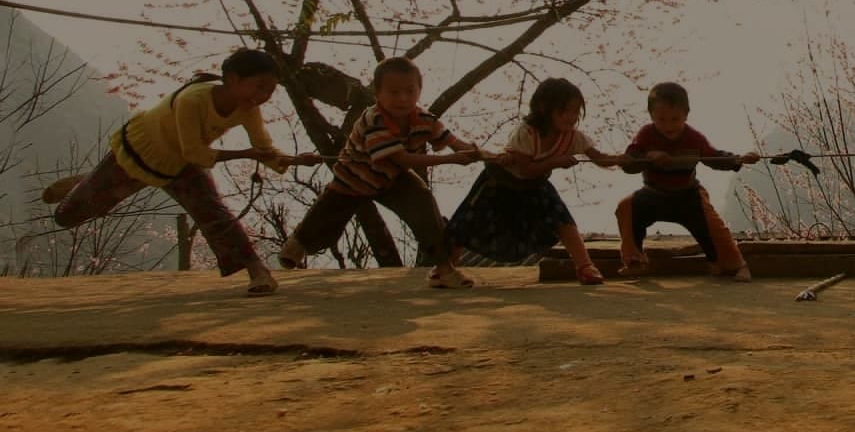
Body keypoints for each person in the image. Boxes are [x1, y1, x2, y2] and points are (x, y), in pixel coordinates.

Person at [43, 48, 317, 295]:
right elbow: (195, 152)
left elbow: (263, 148)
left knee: (213, 212)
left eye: (270, 90)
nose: (264, 96)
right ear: (233, 79)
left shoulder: (248, 109)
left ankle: (258, 272)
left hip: (181, 166)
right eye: (259, 87)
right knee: (67, 215)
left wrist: (295, 161)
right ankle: (84, 182)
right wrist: (245, 154)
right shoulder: (192, 99)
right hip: (138, 152)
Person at [278, 56, 482, 288]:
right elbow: (401, 158)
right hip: (354, 178)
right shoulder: (374, 119)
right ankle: (298, 244)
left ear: (419, 91)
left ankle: (443, 269)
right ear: (378, 93)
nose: (403, 98)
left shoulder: (424, 118)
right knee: (327, 217)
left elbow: (452, 141)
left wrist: (476, 152)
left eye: (409, 91)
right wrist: (452, 159)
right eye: (394, 92)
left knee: (423, 205)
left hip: (392, 178)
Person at [445, 77, 620, 285]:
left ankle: (585, 266)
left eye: (576, 111)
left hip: (535, 184)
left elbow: (600, 158)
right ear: (544, 108)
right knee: (465, 222)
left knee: (562, 217)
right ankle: (445, 270)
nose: (572, 117)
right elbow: (525, 169)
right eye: (565, 110)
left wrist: (628, 159)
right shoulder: (526, 132)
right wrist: (555, 162)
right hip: (499, 182)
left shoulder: (574, 137)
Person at [614, 82, 759, 281]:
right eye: (661, 119)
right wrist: (647, 156)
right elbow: (631, 161)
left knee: (714, 228)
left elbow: (714, 157)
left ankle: (734, 265)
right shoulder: (646, 134)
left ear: (686, 114)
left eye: (675, 119)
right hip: (653, 194)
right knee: (626, 207)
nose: (668, 126)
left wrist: (738, 159)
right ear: (651, 116)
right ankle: (635, 261)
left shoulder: (694, 138)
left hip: (688, 195)